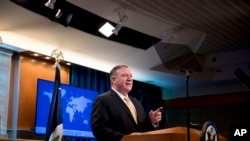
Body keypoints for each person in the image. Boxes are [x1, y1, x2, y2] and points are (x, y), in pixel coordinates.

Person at [91, 65, 163, 141]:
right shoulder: (103, 99)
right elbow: (99, 128)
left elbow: (142, 129)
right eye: (124, 76)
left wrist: (152, 121)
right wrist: (125, 138)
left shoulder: (136, 102)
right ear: (113, 80)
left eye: (131, 76)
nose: (129, 79)